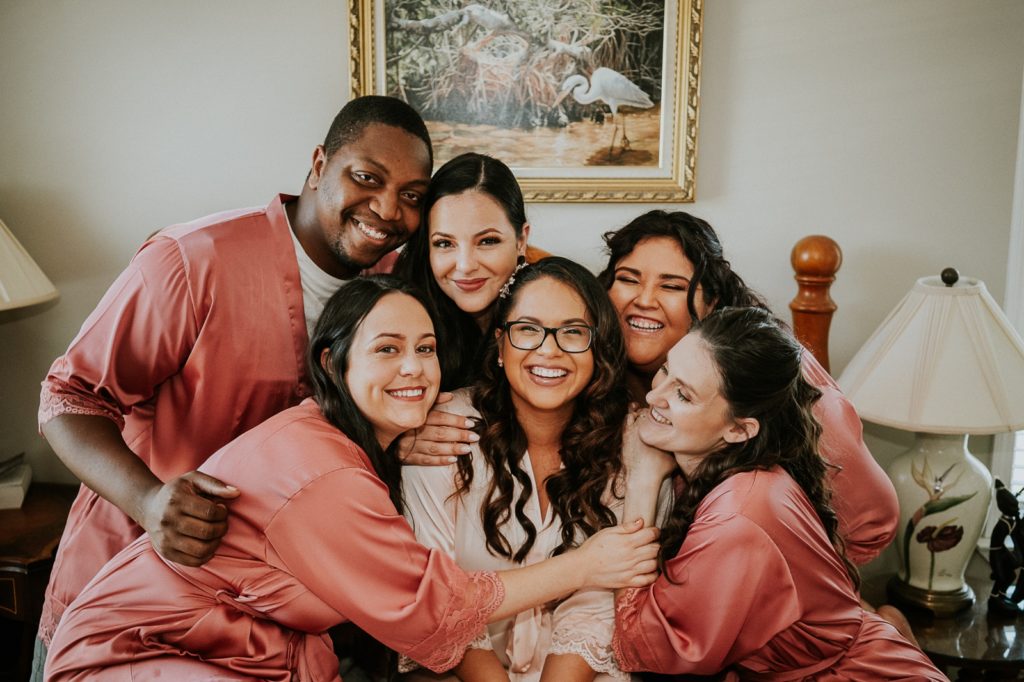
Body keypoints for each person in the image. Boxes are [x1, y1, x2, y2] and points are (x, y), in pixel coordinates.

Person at [45, 275, 661, 681]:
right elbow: (437, 611)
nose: (415, 369)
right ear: (331, 363)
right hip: (144, 655)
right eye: (387, 349)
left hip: (243, 653)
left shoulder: (365, 442)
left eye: (425, 349)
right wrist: (587, 565)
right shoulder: (322, 470)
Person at [33, 96, 453, 673]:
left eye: (411, 196)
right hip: (131, 604)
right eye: (366, 177)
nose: (386, 209)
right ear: (317, 164)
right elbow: (68, 397)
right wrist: (151, 501)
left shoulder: (394, 289)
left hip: (265, 631)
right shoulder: (191, 260)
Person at [613, 307, 945, 680]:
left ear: (739, 430)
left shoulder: (737, 516)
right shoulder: (740, 473)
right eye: (665, 370)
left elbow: (641, 646)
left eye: (683, 395)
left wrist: (643, 477)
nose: (655, 395)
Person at [401, 258, 669, 682]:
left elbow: (607, 604)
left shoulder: (636, 443)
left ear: (598, 349)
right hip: (459, 670)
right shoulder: (444, 429)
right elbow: (435, 598)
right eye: (528, 329)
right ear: (500, 345)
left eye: (573, 332)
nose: (549, 349)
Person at [597, 210, 898, 566]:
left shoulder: (771, 378)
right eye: (628, 279)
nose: (644, 300)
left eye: (672, 286)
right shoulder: (580, 361)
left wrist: (814, 588)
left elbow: (870, 520)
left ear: (711, 302)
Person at [395, 151, 541, 391]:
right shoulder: (397, 316)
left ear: (521, 240)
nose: (465, 265)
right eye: (444, 243)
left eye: (487, 241)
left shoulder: (557, 309)